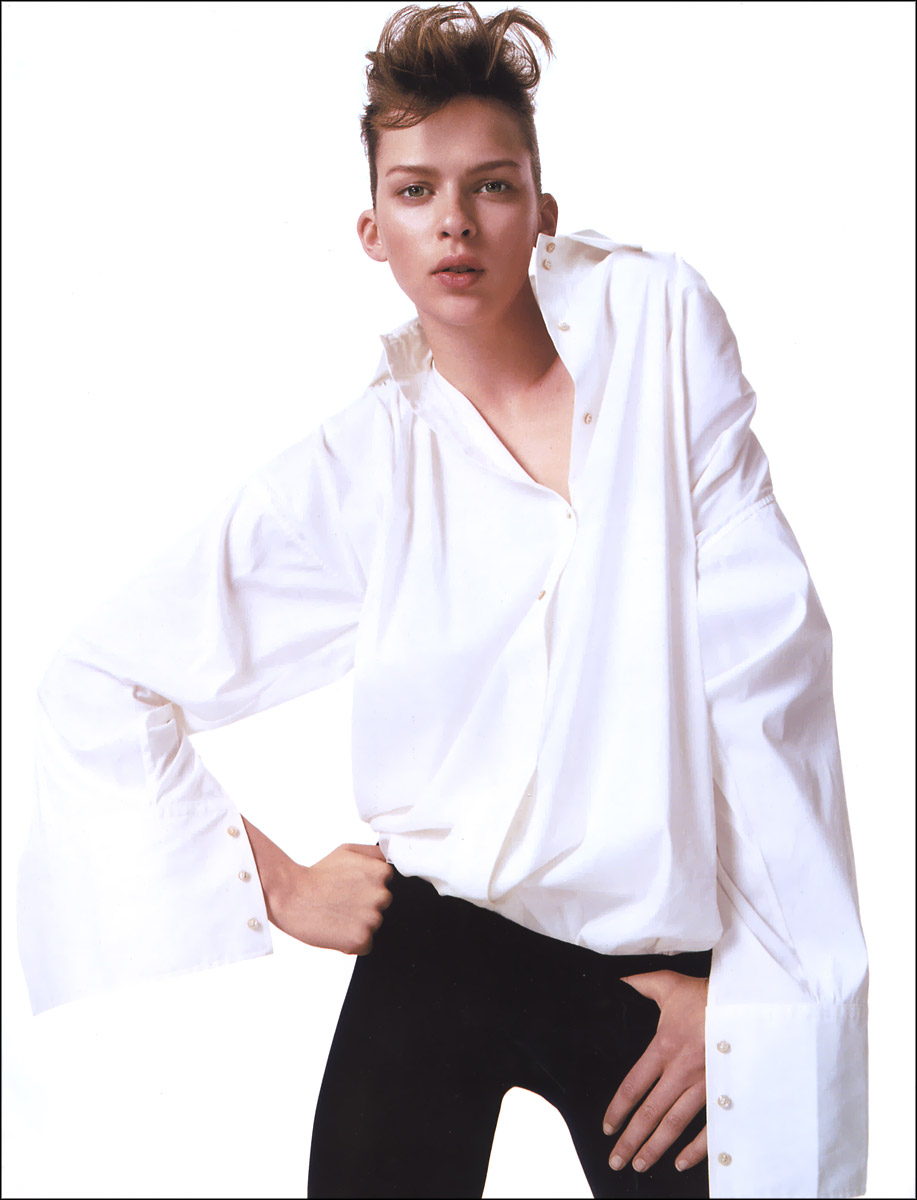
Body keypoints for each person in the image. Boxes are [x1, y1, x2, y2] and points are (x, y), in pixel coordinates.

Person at [17, 4, 868, 1198]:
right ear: (373, 230)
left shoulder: (657, 335)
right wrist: (281, 884)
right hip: (435, 951)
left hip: (650, 976)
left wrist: (744, 995)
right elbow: (99, 679)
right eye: (415, 191)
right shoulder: (363, 463)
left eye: (491, 186)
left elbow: (768, 681)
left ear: (542, 211)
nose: (454, 222)